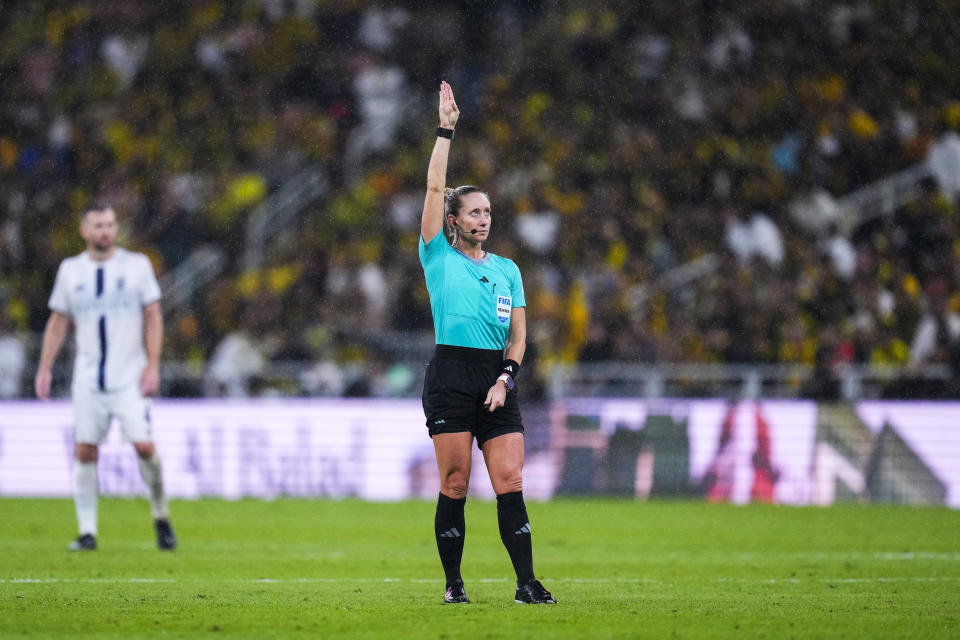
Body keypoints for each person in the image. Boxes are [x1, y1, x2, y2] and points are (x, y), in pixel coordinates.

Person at [418, 82, 555, 605]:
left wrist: (507, 378)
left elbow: (519, 335)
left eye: (489, 213)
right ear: (453, 222)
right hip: (451, 377)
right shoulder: (438, 256)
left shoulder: (508, 271)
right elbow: (434, 191)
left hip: (497, 379)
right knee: (455, 483)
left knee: (511, 479)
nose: (485, 220)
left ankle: (526, 583)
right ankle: (454, 585)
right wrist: (445, 129)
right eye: (475, 213)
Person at [35, 204, 177, 551]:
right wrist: (44, 366)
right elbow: (58, 322)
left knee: (144, 446)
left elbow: (153, 315)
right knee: (85, 450)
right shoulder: (70, 271)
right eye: (99, 225)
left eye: (111, 224)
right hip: (87, 377)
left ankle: (160, 514)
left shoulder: (137, 266)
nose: (106, 231)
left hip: (129, 375)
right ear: (84, 231)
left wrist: (152, 365)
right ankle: (87, 532)